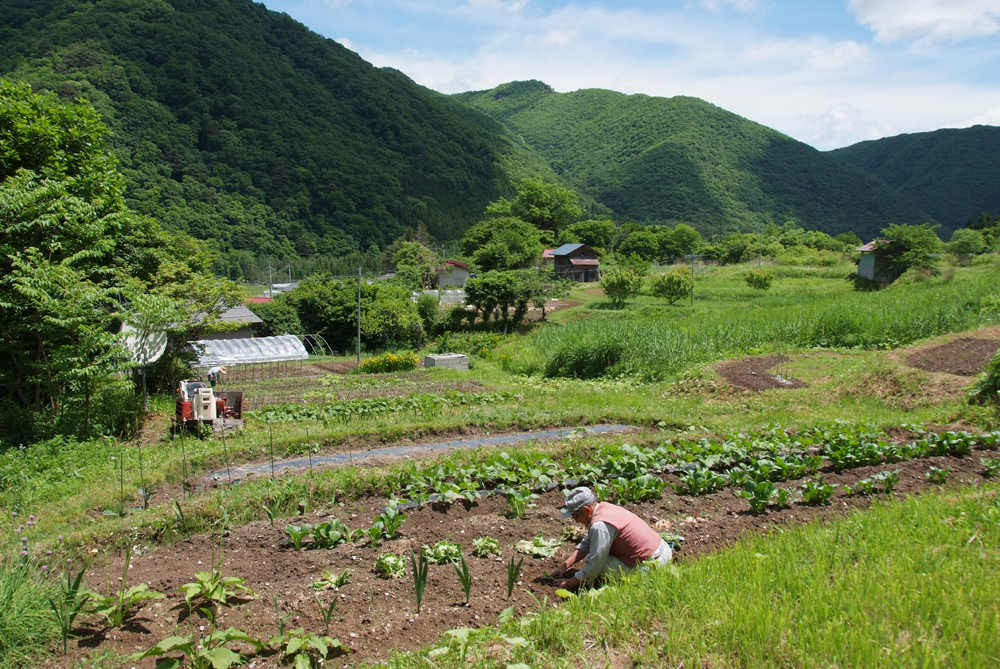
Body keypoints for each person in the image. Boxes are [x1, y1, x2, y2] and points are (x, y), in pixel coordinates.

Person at [552, 486, 672, 589]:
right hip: (663, 550)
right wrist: (566, 565)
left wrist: (569, 583)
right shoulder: (605, 508)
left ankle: (634, 580)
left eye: (574, 516)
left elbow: (595, 564)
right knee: (598, 554)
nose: (575, 520)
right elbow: (587, 542)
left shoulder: (600, 526)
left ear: (586, 510)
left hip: (654, 563)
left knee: (600, 564)